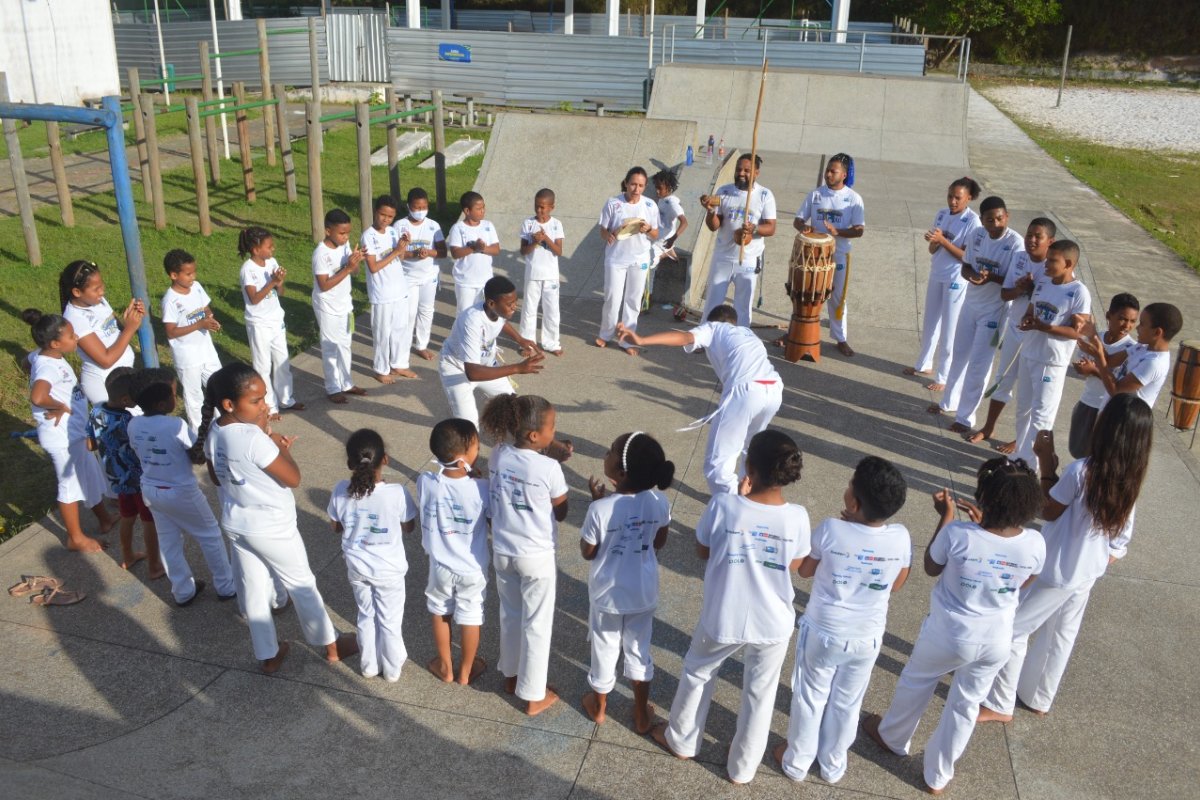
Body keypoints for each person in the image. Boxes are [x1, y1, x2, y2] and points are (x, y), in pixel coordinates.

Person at [862, 457, 1046, 796]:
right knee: (966, 704)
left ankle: (893, 737)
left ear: (984, 497)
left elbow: (932, 565)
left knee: (917, 681)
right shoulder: (1036, 542)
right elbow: (1025, 580)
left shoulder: (959, 534)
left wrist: (946, 516)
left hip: (948, 633)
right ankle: (938, 775)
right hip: (996, 639)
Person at [979, 395, 1151, 724]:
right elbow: (1119, 543)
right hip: (1086, 572)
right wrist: (1091, 559)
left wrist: (1046, 463)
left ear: (1106, 429)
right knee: (1060, 634)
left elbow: (1048, 509)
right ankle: (1039, 697)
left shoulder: (1082, 470)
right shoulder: (1130, 481)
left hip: (1055, 569)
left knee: (1013, 629)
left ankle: (1000, 703)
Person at [651, 430, 810, 785]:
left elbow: (703, 549)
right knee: (760, 693)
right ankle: (742, 768)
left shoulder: (724, 505)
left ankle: (682, 740)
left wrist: (740, 504)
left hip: (724, 614)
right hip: (774, 620)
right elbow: (796, 564)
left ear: (749, 468)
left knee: (698, 671)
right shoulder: (798, 517)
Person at [197, 362, 357, 673]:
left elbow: (216, 478)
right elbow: (293, 478)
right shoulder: (253, 438)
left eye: (264, 397)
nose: (264, 406)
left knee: (254, 591)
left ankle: (268, 653)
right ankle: (332, 644)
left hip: (237, 524)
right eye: (256, 401)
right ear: (229, 404)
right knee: (301, 582)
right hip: (272, 526)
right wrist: (279, 446)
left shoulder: (215, 430)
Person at [775, 456, 910, 785]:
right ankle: (833, 764)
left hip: (824, 631)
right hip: (867, 637)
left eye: (851, 483)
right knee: (848, 702)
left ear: (854, 502)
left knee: (810, 696)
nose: (847, 486)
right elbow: (897, 584)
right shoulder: (901, 537)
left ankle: (797, 762)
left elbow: (805, 571)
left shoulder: (830, 529)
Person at [617, 304, 782, 495]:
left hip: (747, 392)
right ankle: (751, 496)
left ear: (710, 321)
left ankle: (731, 504)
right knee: (751, 450)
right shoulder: (748, 333)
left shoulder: (714, 327)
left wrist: (642, 340)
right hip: (774, 389)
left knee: (717, 465)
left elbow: (685, 337)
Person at [480, 394, 570, 716]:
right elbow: (561, 512)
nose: (554, 432)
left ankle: (511, 676)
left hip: (503, 549)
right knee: (537, 624)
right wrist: (553, 460)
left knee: (511, 614)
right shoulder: (550, 468)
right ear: (534, 435)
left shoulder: (497, 454)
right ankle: (533, 695)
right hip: (536, 556)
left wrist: (548, 452)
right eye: (551, 427)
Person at [580, 431, 673, 734]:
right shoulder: (659, 501)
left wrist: (598, 504)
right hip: (643, 592)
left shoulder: (599, 509)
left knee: (604, 647)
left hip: (607, 595)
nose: (605, 454)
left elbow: (588, 552)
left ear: (621, 473)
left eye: (610, 450)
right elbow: (658, 542)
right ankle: (641, 713)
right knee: (638, 649)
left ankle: (599, 706)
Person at [129, 368, 236, 607]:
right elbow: (196, 456)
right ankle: (226, 586)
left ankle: (183, 591)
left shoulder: (133, 424)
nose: (175, 399)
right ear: (161, 403)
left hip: (151, 490)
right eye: (172, 395)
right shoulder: (175, 424)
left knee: (169, 542)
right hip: (181, 491)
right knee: (210, 535)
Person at [328, 428, 417, 682]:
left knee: (366, 615)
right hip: (389, 570)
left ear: (350, 463)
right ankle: (392, 669)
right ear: (385, 459)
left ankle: (368, 665)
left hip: (357, 567)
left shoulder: (340, 490)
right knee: (390, 619)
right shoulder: (397, 492)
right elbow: (409, 526)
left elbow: (335, 526)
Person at [929, 197, 1024, 432]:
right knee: (959, 356)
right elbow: (966, 266)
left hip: (994, 312)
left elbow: (1014, 283)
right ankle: (949, 403)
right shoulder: (977, 235)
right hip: (970, 305)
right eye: (990, 220)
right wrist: (972, 276)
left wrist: (991, 278)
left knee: (978, 365)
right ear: (982, 220)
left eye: (1000, 218)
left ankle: (965, 418)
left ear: (1007, 216)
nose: (996, 224)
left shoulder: (1015, 244)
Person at [23, 309, 115, 553]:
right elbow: (38, 396)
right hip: (61, 437)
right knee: (69, 485)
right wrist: (57, 405)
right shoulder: (48, 367)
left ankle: (105, 519)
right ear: (55, 343)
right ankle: (75, 537)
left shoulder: (42, 356)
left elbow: (27, 361)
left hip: (74, 434)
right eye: (72, 336)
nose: (76, 339)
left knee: (90, 475)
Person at [967, 218, 1057, 451]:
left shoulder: (1055, 268)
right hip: (1015, 331)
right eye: (1029, 235)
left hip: (1037, 340)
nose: (1031, 240)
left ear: (1050, 241)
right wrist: (1019, 289)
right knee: (1003, 378)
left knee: (1029, 393)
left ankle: (1021, 439)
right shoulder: (1019, 258)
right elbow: (1005, 294)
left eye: (1038, 236)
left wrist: (1032, 288)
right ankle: (989, 427)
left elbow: (1052, 301)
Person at [419, 418, 491, 685]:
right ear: (463, 459)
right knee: (471, 615)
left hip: (439, 565)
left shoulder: (426, 482)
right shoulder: (482, 489)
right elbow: (491, 520)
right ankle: (465, 672)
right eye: (476, 446)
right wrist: (474, 480)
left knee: (440, 611)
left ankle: (445, 666)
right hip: (472, 567)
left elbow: (444, 483)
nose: (478, 449)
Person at [1011, 240, 1090, 472]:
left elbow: (1077, 332)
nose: (1046, 264)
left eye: (1052, 261)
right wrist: (1028, 321)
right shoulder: (1044, 281)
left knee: (1041, 416)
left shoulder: (1079, 292)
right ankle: (1020, 455)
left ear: (1068, 263)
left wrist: (1045, 327)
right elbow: (1031, 310)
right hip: (1029, 353)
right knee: (1023, 410)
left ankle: (1030, 467)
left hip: (1051, 362)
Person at [437, 276, 543, 428]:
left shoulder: (495, 311)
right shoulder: (471, 321)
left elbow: (501, 322)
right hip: (457, 368)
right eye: (510, 304)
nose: (514, 307)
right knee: (469, 425)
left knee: (512, 404)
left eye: (515, 302)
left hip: (485, 366)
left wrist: (520, 339)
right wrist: (517, 368)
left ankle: (511, 434)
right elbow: (473, 373)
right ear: (491, 303)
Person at [907, 177, 982, 389]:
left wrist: (943, 241)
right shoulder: (941, 214)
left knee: (950, 328)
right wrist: (933, 242)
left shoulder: (973, 222)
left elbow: (966, 256)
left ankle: (944, 376)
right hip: (937, 273)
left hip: (955, 278)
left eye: (958, 198)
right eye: (950, 196)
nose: (952, 201)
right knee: (930, 322)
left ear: (969, 198)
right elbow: (933, 249)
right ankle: (923, 364)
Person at [87, 367, 163, 577]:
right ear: (125, 399)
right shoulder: (128, 421)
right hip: (137, 479)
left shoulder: (95, 411)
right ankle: (154, 566)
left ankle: (128, 555)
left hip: (117, 478)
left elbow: (90, 444)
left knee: (127, 516)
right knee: (149, 520)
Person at [794, 153, 864, 356]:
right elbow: (798, 220)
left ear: (844, 175)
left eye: (833, 171)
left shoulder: (853, 199)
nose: (828, 174)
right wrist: (804, 227)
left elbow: (859, 230)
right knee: (807, 294)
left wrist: (837, 232)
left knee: (837, 299)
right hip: (813, 256)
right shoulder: (815, 195)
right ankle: (798, 331)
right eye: (827, 170)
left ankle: (840, 338)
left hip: (839, 256)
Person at [700, 154, 777, 327]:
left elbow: (771, 228)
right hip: (723, 257)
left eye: (747, 170)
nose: (741, 173)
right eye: (738, 169)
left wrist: (754, 229)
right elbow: (714, 226)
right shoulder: (724, 191)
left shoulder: (765, 195)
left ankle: (741, 338)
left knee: (742, 307)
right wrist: (711, 211)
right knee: (712, 303)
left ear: (756, 173)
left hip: (748, 259)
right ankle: (705, 336)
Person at [238, 226, 304, 420]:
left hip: (276, 320)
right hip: (259, 323)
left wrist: (279, 282)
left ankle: (286, 399)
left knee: (282, 361)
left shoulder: (272, 262)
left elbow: (280, 293)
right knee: (263, 366)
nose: (272, 249)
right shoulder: (248, 269)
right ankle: (269, 407)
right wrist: (272, 282)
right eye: (269, 246)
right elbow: (254, 299)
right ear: (256, 249)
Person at [59, 260, 144, 404]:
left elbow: (116, 332)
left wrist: (130, 319)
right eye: (96, 289)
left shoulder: (98, 301)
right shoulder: (74, 318)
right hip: (103, 383)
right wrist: (130, 329)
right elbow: (106, 360)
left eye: (102, 285)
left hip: (123, 375)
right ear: (77, 292)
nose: (102, 291)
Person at [1066, 293, 1139, 458]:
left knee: (1099, 458)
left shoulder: (1131, 349)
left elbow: (1120, 386)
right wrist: (1082, 369)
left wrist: (1094, 371)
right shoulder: (1094, 338)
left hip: (1108, 410)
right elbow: (1082, 365)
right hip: (1087, 402)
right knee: (1077, 452)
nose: (1127, 325)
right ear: (1108, 315)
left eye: (1132, 321)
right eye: (1122, 319)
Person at [596, 167, 660, 354]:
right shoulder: (613, 203)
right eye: (633, 184)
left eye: (641, 186)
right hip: (616, 259)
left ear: (645, 187)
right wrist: (609, 235)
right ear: (626, 183)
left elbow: (656, 234)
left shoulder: (650, 206)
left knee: (633, 301)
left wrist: (648, 229)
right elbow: (603, 230)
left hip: (639, 259)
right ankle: (606, 334)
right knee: (612, 298)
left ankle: (627, 340)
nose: (636, 189)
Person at [1076, 301, 1182, 411]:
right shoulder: (1141, 347)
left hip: (1123, 417)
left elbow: (1116, 391)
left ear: (1157, 332)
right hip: (1109, 411)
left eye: (1142, 324)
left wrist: (1097, 358)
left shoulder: (1154, 363)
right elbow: (1109, 361)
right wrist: (1093, 336)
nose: (1137, 328)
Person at [161, 249, 223, 433]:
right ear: (174, 275)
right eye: (188, 274)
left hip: (207, 350)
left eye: (194, 272)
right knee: (194, 397)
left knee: (220, 386)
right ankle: (199, 435)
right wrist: (199, 324)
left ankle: (224, 425)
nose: (193, 277)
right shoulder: (170, 301)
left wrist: (210, 318)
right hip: (187, 357)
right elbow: (171, 332)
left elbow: (205, 308)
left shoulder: (196, 287)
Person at [312, 208, 368, 404]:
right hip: (327, 306)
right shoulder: (321, 254)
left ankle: (346, 383)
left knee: (345, 345)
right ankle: (332, 388)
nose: (346, 237)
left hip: (345, 304)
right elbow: (324, 285)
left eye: (348, 233)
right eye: (342, 233)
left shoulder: (345, 246)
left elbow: (355, 272)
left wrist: (355, 261)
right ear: (328, 231)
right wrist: (348, 267)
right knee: (330, 347)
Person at [361, 195, 416, 384]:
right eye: (382, 214)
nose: (386, 219)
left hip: (399, 289)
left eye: (390, 216)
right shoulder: (368, 236)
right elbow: (373, 267)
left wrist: (403, 247)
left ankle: (399, 364)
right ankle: (380, 369)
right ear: (375, 212)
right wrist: (396, 251)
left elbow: (400, 258)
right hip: (382, 294)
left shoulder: (392, 232)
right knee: (382, 334)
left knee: (401, 329)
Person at [392, 187, 446, 362]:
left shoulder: (433, 226)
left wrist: (428, 253)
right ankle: (404, 347)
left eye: (424, 207)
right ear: (408, 206)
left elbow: (443, 252)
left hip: (429, 276)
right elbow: (396, 254)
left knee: (426, 311)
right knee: (409, 313)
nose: (421, 211)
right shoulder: (399, 226)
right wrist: (413, 254)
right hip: (407, 277)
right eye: (417, 207)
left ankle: (422, 345)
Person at [518, 188, 565, 356]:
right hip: (533, 275)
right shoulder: (528, 223)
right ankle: (528, 344)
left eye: (543, 207)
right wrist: (534, 241)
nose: (539, 210)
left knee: (552, 310)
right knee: (529, 310)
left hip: (551, 276)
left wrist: (545, 239)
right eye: (536, 206)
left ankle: (552, 343)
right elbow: (523, 251)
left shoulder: (556, 224)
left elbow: (558, 251)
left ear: (551, 207)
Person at [447, 191, 500, 312]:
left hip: (485, 281)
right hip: (465, 282)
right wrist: (473, 248)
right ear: (467, 211)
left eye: (483, 207)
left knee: (483, 314)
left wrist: (483, 248)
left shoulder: (488, 225)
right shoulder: (458, 228)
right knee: (465, 314)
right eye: (478, 208)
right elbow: (455, 253)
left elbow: (496, 250)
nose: (483, 211)